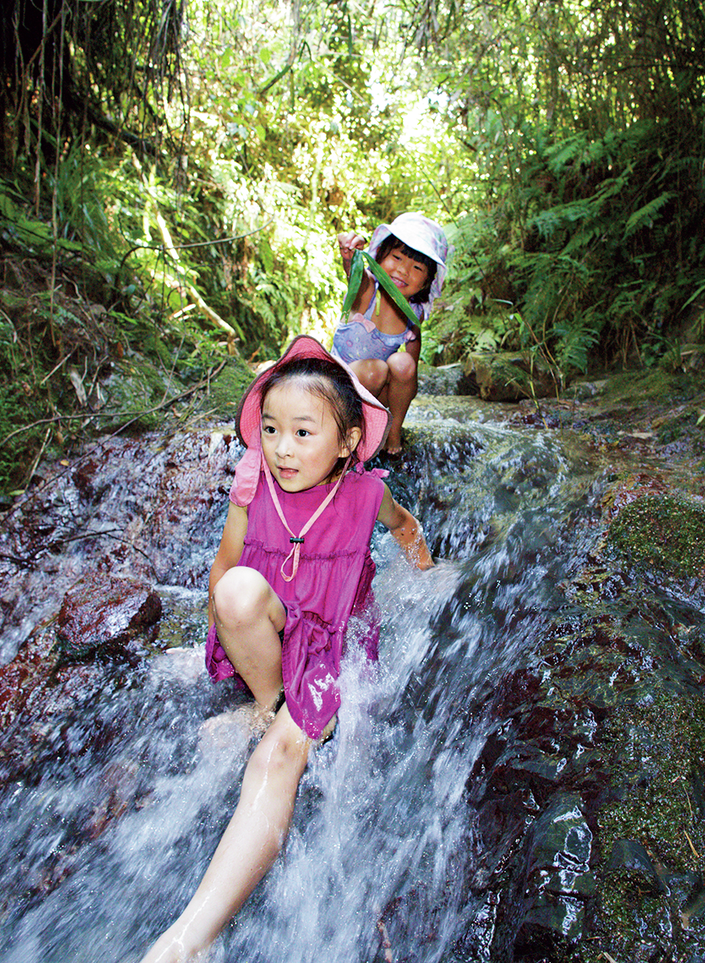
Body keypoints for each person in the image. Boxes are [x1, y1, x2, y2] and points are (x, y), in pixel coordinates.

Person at [138, 335, 433, 963]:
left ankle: (189, 939)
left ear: (348, 441)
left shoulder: (363, 494)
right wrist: (223, 648)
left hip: (332, 641)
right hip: (275, 629)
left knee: (276, 761)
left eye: (304, 432)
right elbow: (222, 576)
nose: (282, 448)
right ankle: (268, 702)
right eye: (271, 429)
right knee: (241, 590)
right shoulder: (252, 486)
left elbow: (404, 524)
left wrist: (423, 561)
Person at [333, 212, 449, 454]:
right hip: (337, 389)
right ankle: (343, 428)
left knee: (402, 362)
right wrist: (349, 256)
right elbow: (355, 274)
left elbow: (410, 378)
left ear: (427, 282)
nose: (403, 270)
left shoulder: (413, 314)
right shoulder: (367, 292)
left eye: (417, 267)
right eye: (396, 257)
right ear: (379, 257)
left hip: (375, 399)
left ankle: (392, 433)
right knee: (377, 369)